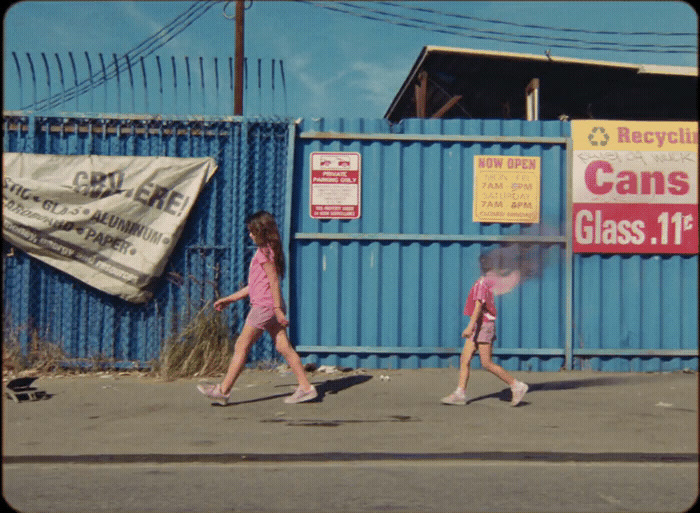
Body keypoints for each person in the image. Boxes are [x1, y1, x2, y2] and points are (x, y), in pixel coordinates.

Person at [197, 211, 317, 405]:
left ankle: (223, 390)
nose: (250, 235)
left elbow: (274, 282)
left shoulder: (264, 253)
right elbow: (255, 285)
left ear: (262, 232)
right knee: (283, 346)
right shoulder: (270, 250)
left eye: (252, 232)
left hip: (264, 307)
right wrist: (231, 298)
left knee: (241, 346)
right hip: (270, 306)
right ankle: (306, 388)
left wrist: (277, 309)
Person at [441, 257, 528, 406]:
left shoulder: (483, 283)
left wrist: (470, 326)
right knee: (465, 359)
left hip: (483, 325)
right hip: (479, 325)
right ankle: (460, 393)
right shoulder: (484, 281)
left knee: (486, 363)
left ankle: (517, 385)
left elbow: (478, 307)